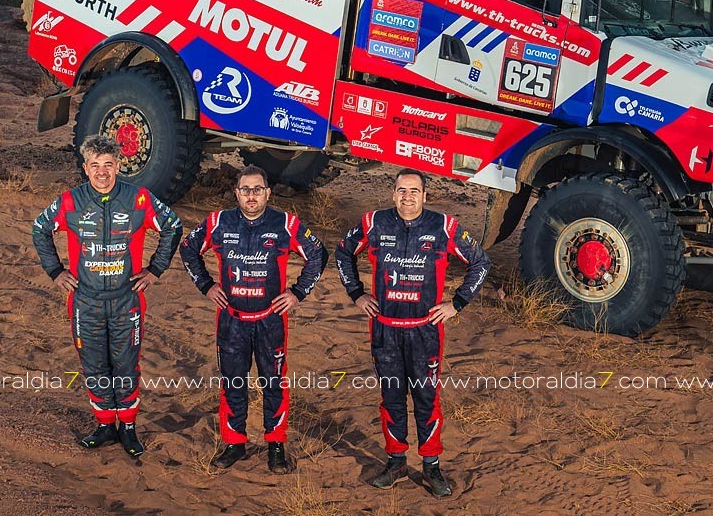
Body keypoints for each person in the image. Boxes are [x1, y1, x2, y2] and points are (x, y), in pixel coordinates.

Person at [335, 168, 490, 498]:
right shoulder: (374, 222)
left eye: (414, 191)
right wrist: (356, 294)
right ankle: (396, 462)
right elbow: (342, 251)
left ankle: (431, 466)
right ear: (393, 194)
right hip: (385, 331)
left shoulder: (443, 226)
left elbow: (481, 262)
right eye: (401, 190)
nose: (407, 196)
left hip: (425, 332)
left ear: (425, 196)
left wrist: (457, 303)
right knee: (391, 398)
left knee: (425, 398)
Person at [32, 135, 182, 458]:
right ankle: (104, 426)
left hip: (126, 301)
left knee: (126, 365)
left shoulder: (137, 199)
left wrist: (155, 270)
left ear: (118, 166)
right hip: (84, 302)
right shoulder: (71, 201)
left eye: (108, 165)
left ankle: (127, 427)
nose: (102, 172)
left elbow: (173, 225)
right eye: (95, 165)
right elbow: (39, 228)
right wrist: (56, 272)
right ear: (85, 168)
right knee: (94, 366)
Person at [179, 165, 328, 474]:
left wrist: (298, 293)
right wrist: (206, 286)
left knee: (273, 383)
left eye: (257, 190)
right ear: (236, 193)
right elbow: (188, 248)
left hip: (270, 321)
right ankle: (235, 443)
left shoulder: (285, 224)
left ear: (267, 193)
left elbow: (318, 254)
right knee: (233, 383)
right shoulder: (219, 222)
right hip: (231, 321)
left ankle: (276, 444)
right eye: (245, 190)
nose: (251, 196)